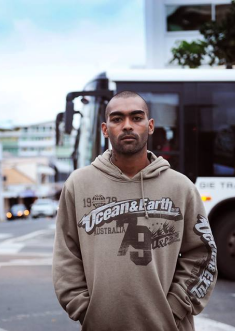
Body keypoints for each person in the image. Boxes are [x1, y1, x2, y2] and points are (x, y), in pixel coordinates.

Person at [52, 91, 217, 331]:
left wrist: (173, 309)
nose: (127, 125)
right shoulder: (79, 184)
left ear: (150, 126)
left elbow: (203, 255)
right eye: (117, 119)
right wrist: (85, 310)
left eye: (136, 118)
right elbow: (66, 255)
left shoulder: (181, 187)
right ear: (105, 129)